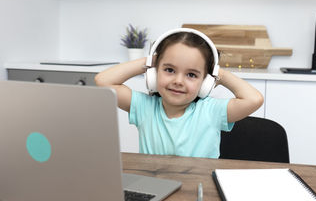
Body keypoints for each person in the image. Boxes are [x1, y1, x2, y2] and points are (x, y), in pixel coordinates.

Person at [95, 28, 264, 158]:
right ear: (154, 73)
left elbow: (254, 99)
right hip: (156, 189)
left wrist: (218, 73)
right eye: (169, 69)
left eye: (191, 74)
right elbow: (102, 81)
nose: (178, 81)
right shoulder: (143, 106)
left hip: (199, 189)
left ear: (205, 82)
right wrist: (150, 61)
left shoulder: (211, 111)